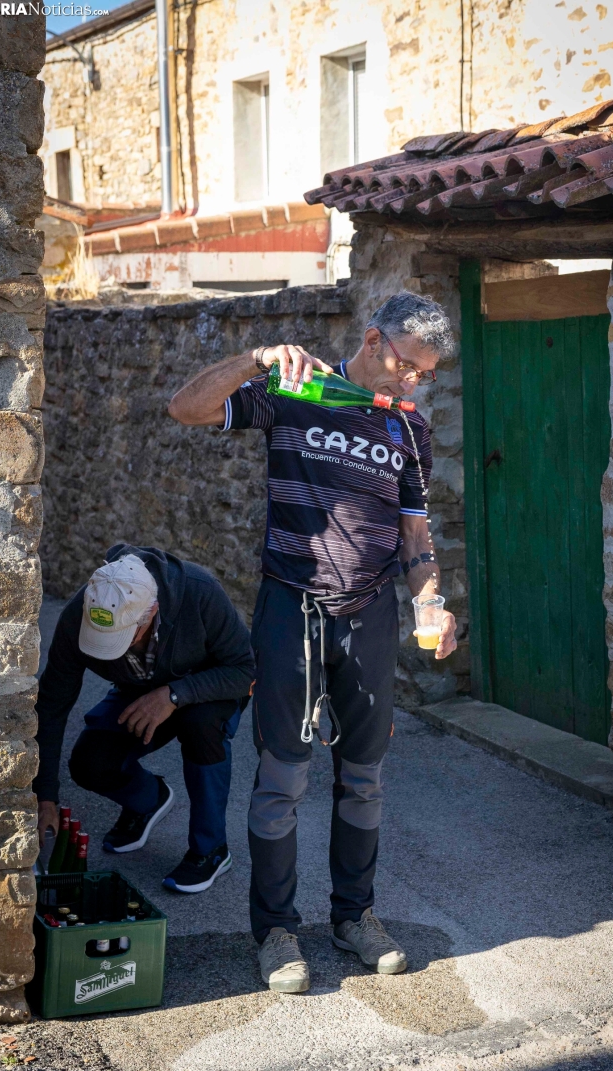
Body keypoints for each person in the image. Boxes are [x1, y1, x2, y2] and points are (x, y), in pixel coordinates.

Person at [168, 290, 458, 990]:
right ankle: (275, 931)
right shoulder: (295, 391)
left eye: (425, 373)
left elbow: (416, 538)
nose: (412, 381)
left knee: (364, 777)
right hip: (289, 607)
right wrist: (254, 359)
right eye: (407, 366)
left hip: (370, 616)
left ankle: (354, 916)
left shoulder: (409, 429)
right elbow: (187, 407)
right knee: (282, 778)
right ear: (373, 339)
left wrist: (432, 602)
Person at [34, 543, 255, 894]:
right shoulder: (80, 614)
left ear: (151, 612)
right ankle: (148, 800)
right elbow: (51, 705)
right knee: (91, 763)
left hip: (209, 688)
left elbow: (246, 669)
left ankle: (211, 850)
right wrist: (44, 795)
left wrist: (173, 695)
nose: (109, 647)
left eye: (121, 637)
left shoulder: (199, 592)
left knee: (200, 726)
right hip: (139, 686)